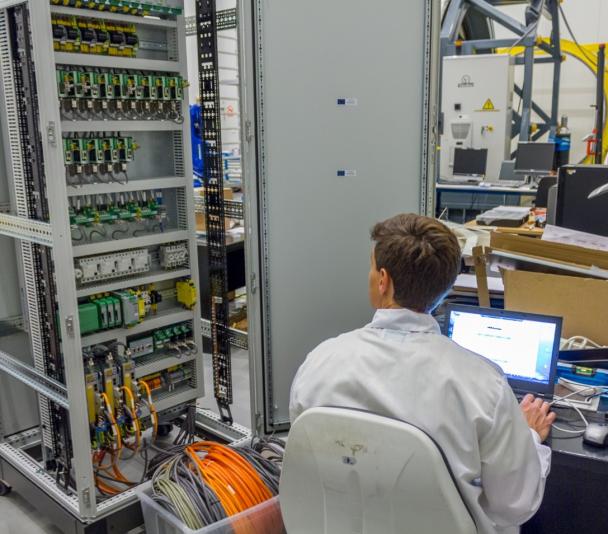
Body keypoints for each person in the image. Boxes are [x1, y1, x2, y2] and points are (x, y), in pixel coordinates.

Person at [289, 213, 555, 534]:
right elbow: (514, 505)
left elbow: (309, 461)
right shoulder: (484, 385)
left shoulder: (319, 362)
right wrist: (528, 438)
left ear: (383, 280)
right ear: (444, 289)